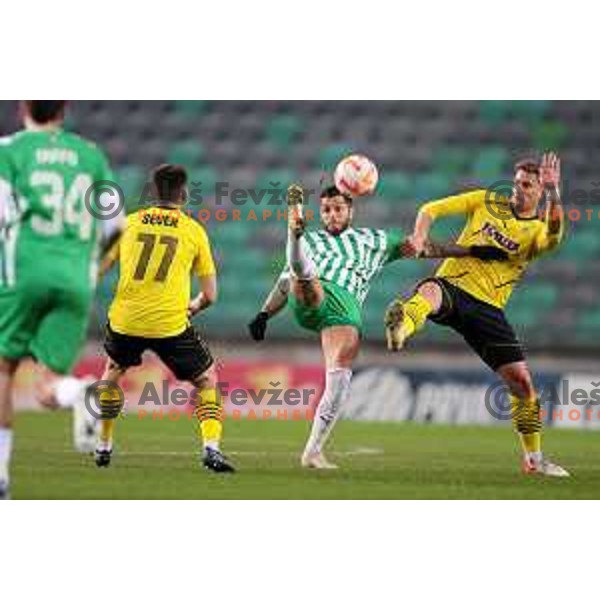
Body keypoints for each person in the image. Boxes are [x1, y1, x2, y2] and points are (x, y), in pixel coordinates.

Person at [249, 183, 506, 469]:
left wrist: (471, 250)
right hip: (312, 293)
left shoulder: (375, 240)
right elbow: (283, 286)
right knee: (303, 276)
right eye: (325, 210)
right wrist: (263, 314)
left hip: (344, 311)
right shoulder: (313, 241)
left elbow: (425, 248)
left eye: (337, 209)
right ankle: (293, 233)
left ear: (351, 211)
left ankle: (313, 451)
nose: (331, 215)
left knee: (339, 378)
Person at [384, 153, 569, 477]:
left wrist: (555, 194)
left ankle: (534, 460)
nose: (518, 190)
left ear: (540, 190)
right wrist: (418, 236)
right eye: (516, 183)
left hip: (488, 308)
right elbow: (430, 209)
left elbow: (554, 234)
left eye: (527, 185)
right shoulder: (486, 201)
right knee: (429, 291)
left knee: (523, 384)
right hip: (453, 286)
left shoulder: (536, 232)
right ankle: (401, 329)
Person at [0, 100, 120, 499]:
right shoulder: (90, 156)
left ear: (23, 108)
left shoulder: (10, 151)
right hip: (76, 278)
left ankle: (0, 476)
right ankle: (80, 391)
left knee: (4, 369)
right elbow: (116, 225)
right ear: (63, 110)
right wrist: (85, 260)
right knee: (47, 385)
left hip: (25, 272)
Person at [95, 163, 234, 473]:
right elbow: (211, 295)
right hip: (169, 324)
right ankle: (211, 449)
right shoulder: (193, 231)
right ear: (183, 193)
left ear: (152, 192)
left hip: (125, 320)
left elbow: (96, 270)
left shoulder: (128, 224)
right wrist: (193, 307)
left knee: (113, 371)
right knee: (207, 378)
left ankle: (103, 445)